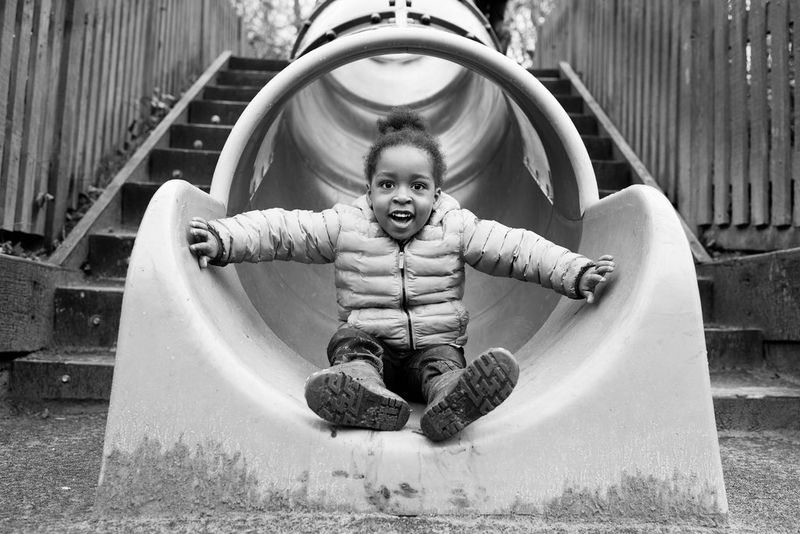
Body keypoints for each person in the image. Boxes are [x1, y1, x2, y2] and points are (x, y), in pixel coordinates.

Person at [188, 108, 615, 442]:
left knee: (442, 365)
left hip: (432, 347)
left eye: (417, 186)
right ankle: (360, 390)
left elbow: (520, 249)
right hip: (369, 345)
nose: (402, 197)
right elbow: (282, 230)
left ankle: (452, 397)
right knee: (350, 344)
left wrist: (576, 273)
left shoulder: (456, 227)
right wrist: (223, 239)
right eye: (387, 184)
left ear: (437, 192)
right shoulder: (346, 224)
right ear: (368, 189)